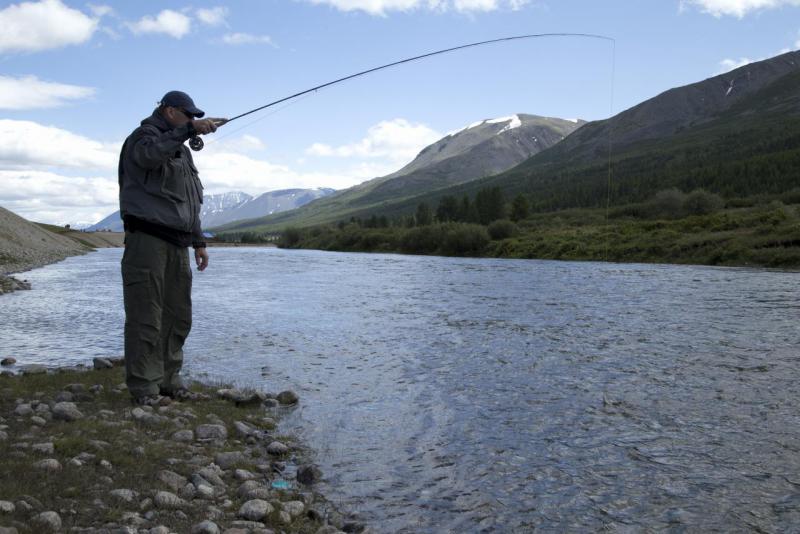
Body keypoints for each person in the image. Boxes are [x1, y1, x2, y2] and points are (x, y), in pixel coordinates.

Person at [118, 90, 225, 406]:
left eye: (194, 116)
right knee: (145, 315)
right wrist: (189, 131)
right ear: (169, 111)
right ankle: (144, 388)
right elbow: (148, 157)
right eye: (187, 114)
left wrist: (199, 242)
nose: (192, 119)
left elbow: (190, 200)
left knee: (178, 315)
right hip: (147, 240)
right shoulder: (142, 138)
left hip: (179, 243)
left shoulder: (181, 148)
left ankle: (169, 379)